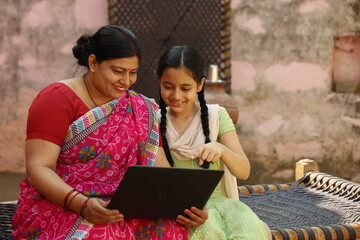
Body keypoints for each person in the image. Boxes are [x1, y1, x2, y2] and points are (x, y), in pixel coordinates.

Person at [12, 25, 207, 240]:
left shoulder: (138, 107)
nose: (126, 81)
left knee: (170, 229)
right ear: (93, 63)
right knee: (101, 234)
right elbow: (38, 168)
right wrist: (83, 204)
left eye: (133, 72)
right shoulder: (56, 99)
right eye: (118, 71)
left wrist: (187, 206)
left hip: (122, 206)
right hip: (60, 202)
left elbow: (161, 172)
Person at [157, 45, 272, 239]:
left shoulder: (216, 116)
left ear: (200, 85)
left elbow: (243, 171)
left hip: (221, 206)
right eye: (168, 87)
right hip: (180, 210)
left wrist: (221, 149)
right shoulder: (154, 121)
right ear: (159, 81)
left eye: (185, 88)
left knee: (249, 231)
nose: (176, 96)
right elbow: (163, 182)